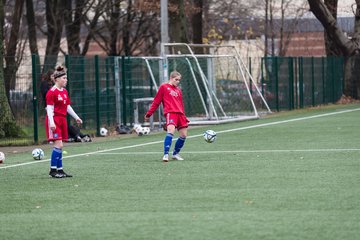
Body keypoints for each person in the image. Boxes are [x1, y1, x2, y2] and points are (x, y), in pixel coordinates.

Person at [45, 65, 83, 178]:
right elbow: (49, 109)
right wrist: (51, 122)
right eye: (64, 78)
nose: (66, 80)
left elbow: (67, 107)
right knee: (59, 144)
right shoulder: (51, 92)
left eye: (66, 78)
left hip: (62, 120)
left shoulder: (65, 92)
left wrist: (76, 117)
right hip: (54, 120)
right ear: (57, 79)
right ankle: (53, 170)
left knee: (60, 146)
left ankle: (60, 170)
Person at [144, 70, 189, 162]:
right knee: (171, 131)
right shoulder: (164, 87)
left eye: (179, 80)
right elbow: (156, 101)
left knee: (184, 135)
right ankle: (165, 154)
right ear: (171, 78)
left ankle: (175, 154)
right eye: (176, 79)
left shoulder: (178, 90)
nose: (178, 81)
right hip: (171, 113)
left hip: (180, 114)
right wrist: (149, 113)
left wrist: (184, 116)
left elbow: (181, 104)